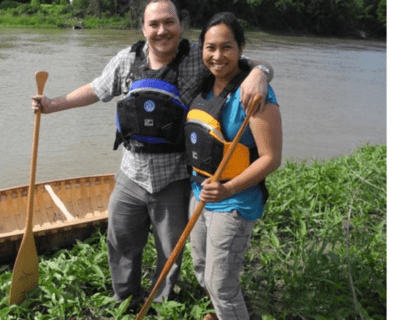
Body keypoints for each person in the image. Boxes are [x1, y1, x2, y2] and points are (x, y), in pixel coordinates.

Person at [32, 0, 274, 310]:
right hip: (131, 173)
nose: (162, 30)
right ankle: (125, 300)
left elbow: (245, 65)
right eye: (154, 24)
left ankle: (162, 303)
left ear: (181, 25)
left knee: (169, 248)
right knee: (120, 241)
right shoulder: (127, 60)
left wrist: (261, 74)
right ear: (144, 28)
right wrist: (53, 105)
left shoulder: (197, 60)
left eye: (168, 22)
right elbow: (97, 89)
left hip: (174, 176)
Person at [185, 12, 282, 320]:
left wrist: (226, 188)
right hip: (200, 192)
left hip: (234, 200)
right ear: (201, 50)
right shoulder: (202, 84)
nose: (217, 55)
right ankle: (219, 312)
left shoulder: (253, 94)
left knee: (221, 283)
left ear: (241, 48)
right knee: (202, 268)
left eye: (227, 47)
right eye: (210, 47)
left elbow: (271, 158)